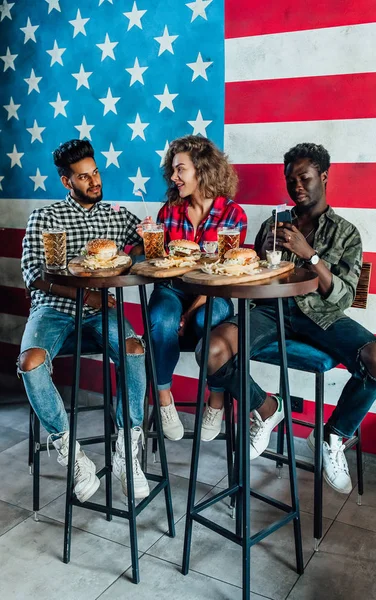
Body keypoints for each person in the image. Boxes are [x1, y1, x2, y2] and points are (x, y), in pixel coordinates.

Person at [202, 142, 376, 494]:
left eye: (304, 178)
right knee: (210, 350)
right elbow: (255, 276)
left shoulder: (345, 232)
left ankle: (332, 436)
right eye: (290, 180)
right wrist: (260, 254)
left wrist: (311, 255)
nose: (297, 187)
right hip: (270, 312)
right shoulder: (276, 221)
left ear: (324, 176)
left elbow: (344, 296)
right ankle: (266, 406)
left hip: (321, 315)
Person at [19, 139, 150, 502]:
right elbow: (33, 273)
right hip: (52, 310)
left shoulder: (116, 215)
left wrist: (141, 242)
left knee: (134, 348)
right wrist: (86, 294)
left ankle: (127, 450)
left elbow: (140, 250)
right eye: (83, 177)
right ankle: (73, 455)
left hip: (99, 315)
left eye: (95, 173)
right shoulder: (46, 217)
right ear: (66, 182)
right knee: (30, 364)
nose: (94, 181)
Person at [148, 135, 247, 441]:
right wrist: (147, 240)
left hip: (212, 293)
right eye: (173, 171)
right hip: (172, 289)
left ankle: (215, 401)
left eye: (181, 170)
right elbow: (159, 265)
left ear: (202, 170)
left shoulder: (233, 215)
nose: (174, 177)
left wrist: (190, 314)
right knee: (162, 318)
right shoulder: (169, 212)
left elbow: (224, 274)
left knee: (210, 320)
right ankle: (164, 400)